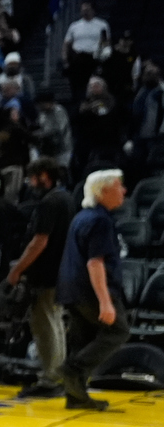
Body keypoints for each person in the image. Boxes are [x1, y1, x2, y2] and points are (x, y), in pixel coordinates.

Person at [57, 169, 130, 411]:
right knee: (117, 331)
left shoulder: (82, 217)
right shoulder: (100, 220)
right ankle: (73, 368)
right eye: (119, 186)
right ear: (104, 191)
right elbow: (95, 263)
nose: (124, 191)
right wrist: (106, 302)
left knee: (82, 338)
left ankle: (76, 396)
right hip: (92, 290)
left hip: (72, 289)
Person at [5, 160, 76, 400]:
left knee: (45, 326)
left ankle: (50, 380)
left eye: (32, 177)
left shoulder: (49, 202)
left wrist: (17, 270)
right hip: (62, 272)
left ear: (43, 175)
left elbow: (39, 242)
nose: (30, 183)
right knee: (55, 324)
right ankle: (58, 375)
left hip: (46, 273)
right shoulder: (66, 198)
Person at [63, 2, 110, 99]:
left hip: (94, 58)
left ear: (93, 10)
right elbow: (67, 43)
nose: (85, 12)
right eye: (83, 10)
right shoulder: (74, 26)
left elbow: (106, 42)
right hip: (79, 58)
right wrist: (65, 58)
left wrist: (105, 54)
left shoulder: (101, 24)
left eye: (87, 10)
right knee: (77, 85)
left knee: (94, 83)